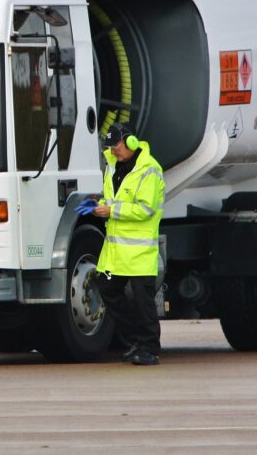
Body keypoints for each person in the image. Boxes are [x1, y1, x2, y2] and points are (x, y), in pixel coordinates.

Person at [91, 122, 166, 365]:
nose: (113, 151)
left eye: (116, 146)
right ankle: (137, 339)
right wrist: (99, 205)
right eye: (110, 147)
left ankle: (150, 349)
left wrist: (111, 210)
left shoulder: (149, 170)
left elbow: (145, 209)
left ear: (131, 142)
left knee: (144, 303)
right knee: (107, 288)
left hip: (140, 252)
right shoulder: (112, 167)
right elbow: (111, 197)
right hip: (116, 253)